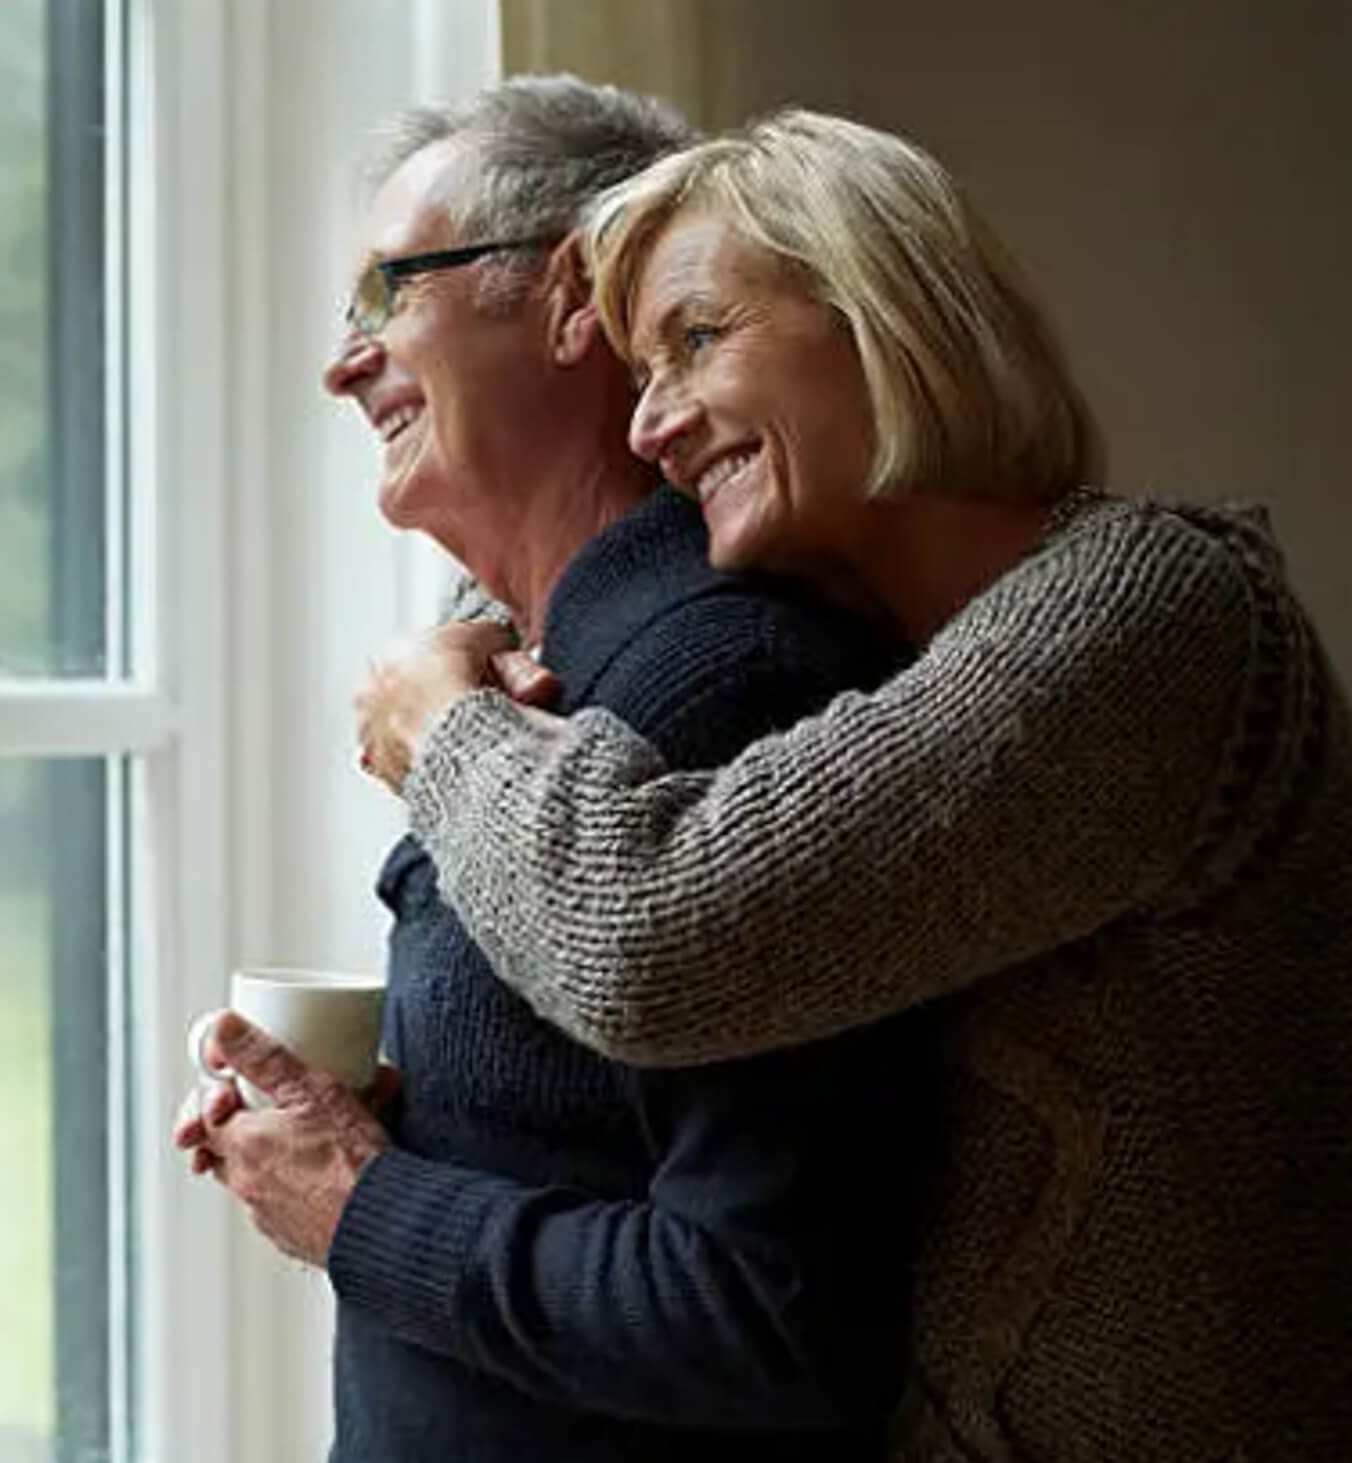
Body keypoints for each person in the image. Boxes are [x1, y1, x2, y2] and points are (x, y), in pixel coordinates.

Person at [351, 108, 1352, 1460]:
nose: (656, 422)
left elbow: (656, 940)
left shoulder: (1148, 617)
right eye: (643, 371)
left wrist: (444, 723)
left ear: (886, 313)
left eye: (699, 341)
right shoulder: (900, 651)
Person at [175, 79, 930, 1461]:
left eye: (389, 295)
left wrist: (357, 1205)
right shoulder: (536, 677)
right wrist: (364, 1140)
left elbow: (771, 1319)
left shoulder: (723, 683)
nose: (344, 368)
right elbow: (586, 1145)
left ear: (578, 296)